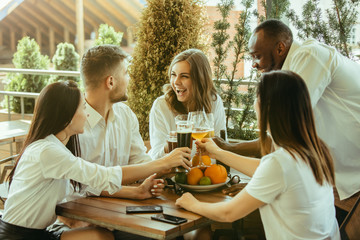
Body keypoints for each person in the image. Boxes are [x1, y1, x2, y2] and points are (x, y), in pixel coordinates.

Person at [0, 81, 189, 240]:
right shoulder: (47, 151)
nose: (87, 114)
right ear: (67, 116)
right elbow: (102, 175)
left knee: (102, 235)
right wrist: (164, 163)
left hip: (40, 233)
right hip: (17, 236)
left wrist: (137, 192)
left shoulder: (57, 148)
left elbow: (85, 185)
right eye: (83, 108)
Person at [176, 70, 340, 240]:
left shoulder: (280, 163)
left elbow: (228, 213)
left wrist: (192, 204)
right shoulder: (314, 150)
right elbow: (264, 169)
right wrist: (218, 152)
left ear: (266, 106)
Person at [214, 19, 360, 200]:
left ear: (280, 49)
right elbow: (279, 137)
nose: (254, 65)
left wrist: (260, 184)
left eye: (257, 56)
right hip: (336, 179)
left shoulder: (310, 56)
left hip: (353, 178)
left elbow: (284, 134)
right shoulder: (292, 72)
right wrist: (227, 147)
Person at [148, 49, 226, 160]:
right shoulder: (161, 106)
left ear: (200, 80)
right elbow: (155, 157)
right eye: (173, 75)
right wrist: (168, 146)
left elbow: (220, 147)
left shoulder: (214, 101)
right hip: (173, 174)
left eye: (184, 76)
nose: (176, 82)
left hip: (206, 173)